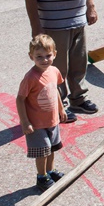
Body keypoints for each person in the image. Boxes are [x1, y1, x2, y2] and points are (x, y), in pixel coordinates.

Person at [15, 34, 67, 192]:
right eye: (39, 57)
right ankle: (41, 176)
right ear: (31, 57)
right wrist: (25, 122)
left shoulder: (54, 71)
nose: (44, 60)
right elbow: (20, 99)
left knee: (52, 148)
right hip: (36, 123)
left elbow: (55, 90)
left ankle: (50, 171)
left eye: (48, 56)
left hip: (52, 120)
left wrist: (61, 108)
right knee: (42, 151)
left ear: (55, 54)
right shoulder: (30, 78)